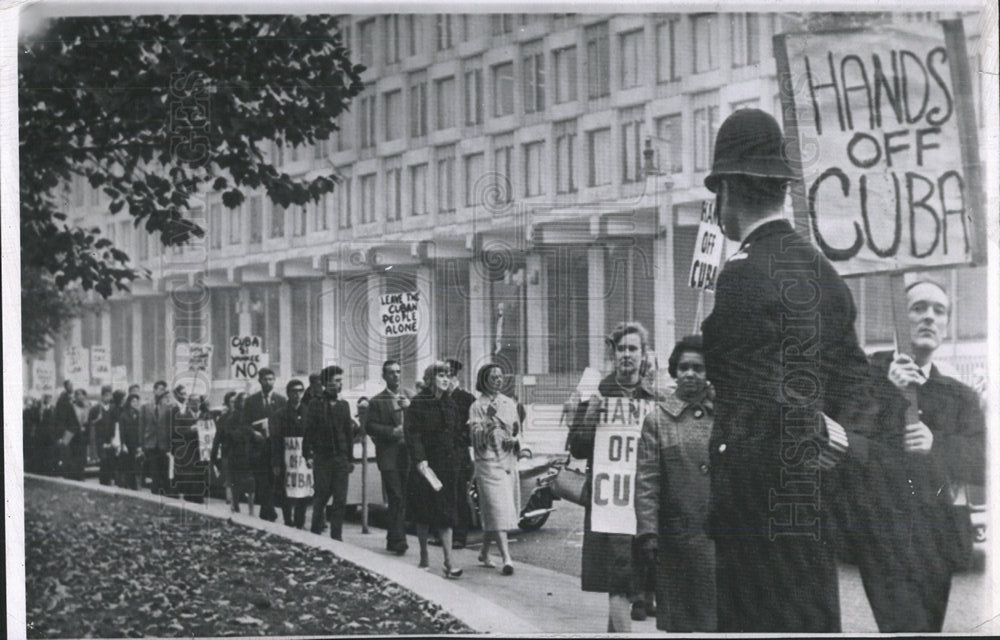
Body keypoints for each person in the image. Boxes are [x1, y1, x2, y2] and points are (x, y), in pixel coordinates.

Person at [700, 108, 881, 632]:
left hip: (755, 519)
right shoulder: (824, 271)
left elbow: (759, 397)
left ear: (727, 189)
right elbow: (857, 386)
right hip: (812, 513)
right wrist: (833, 442)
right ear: (781, 188)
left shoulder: (740, 275)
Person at [841, 279, 986, 632]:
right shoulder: (865, 378)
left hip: (937, 539)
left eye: (939, 311)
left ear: (946, 325)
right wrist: (889, 393)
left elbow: (982, 462)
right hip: (883, 540)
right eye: (918, 308)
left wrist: (937, 444)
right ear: (899, 321)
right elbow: (850, 447)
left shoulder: (959, 395)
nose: (929, 318)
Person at [567, 322, 661, 632]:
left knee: (629, 577)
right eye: (621, 348)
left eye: (633, 348)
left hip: (643, 501)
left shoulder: (653, 398)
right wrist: (590, 410)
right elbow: (578, 448)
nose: (626, 354)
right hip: (609, 502)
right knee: (620, 579)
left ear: (643, 355)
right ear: (613, 354)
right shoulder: (597, 393)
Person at [636, 336, 716, 631]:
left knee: (720, 623)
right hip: (675, 541)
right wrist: (647, 532)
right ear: (674, 371)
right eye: (684, 367)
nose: (691, 374)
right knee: (681, 624)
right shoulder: (658, 421)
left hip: (720, 539)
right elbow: (646, 481)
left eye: (699, 367)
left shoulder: (725, 417)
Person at [405, 361, 466, 578]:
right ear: (431, 379)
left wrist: (459, 459)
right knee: (423, 512)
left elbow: (457, 434)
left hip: (447, 465)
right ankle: (423, 556)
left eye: (448, 375)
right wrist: (420, 459)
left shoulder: (450, 404)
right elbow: (412, 434)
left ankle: (449, 562)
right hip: (426, 466)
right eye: (441, 375)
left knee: (446, 512)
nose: (445, 379)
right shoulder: (418, 404)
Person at [468, 363, 521, 576]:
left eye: (500, 376)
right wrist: (488, 418)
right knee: (497, 507)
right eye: (493, 377)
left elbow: (517, 430)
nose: (498, 380)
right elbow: (476, 438)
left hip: (507, 461)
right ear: (484, 380)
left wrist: (514, 441)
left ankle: (484, 551)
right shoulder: (476, 406)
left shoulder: (509, 403)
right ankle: (507, 558)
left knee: (499, 508)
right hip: (487, 462)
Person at [363, 360, 412, 554]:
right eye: (391, 373)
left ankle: (393, 537)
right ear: (384, 376)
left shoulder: (409, 396)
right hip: (389, 454)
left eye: (398, 372)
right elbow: (370, 426)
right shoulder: (377, 401)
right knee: (395, 495)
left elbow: (421, 421)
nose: (396, 376)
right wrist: (393, 431)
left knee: (402, 498)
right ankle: (399, 540)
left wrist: (409, 408)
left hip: (406, 454)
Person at [303, 365, 354, 540]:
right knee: (321, 497)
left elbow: (348, 434)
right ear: (326, 383)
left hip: (340, 459)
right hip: (322, 458)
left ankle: (336, 538)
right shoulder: (316, 404)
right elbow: (309, 431)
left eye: (341, 381)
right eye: (337, 381)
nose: (340, 384)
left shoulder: (344, 405)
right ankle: (316, 534)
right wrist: (307, 454)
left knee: (340, 500)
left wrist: (350, 459)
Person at [242, 368, 286, 521]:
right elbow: (244, 424)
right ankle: (268, 511)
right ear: (260, 381)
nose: (268, 382)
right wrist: (254, 433)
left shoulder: (281, 400)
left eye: (271, 379)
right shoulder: (251, 401)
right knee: (262, 480)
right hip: (258, 448)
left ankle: (267, 510)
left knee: (274, 481)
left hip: (275, 447)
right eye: (265, 379)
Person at [445, 359, 476, 549]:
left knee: (459, 495)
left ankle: (459, 535)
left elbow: (471, 428)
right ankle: (444, 533)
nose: (444, 379)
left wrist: (459, 441)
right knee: (443, 495)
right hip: (441, 454)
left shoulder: (466, 399)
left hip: (458, 454)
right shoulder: (438, 398)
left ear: (454, 377)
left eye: (447, 375)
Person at [274, 379, 311, 528]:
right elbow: (275, 439)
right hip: (286, 457)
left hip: (303, 457)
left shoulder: (308, 412)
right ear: (288, 393)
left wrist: (311, 456)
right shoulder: (280, 414)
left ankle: (300, 520)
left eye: (300, 391)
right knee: (286, 489)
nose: (297, 395)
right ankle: (288, 519)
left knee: (303, 488)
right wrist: (276, 462)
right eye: (294, 391)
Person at [140, 380, 175, 496]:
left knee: (164, 468)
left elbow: (169, 427)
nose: (162, 392)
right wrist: (142, 444)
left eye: (164, 390)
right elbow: (141, 426)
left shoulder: (167, 407)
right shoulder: (145, 407)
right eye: (160, 389)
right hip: (150, 442)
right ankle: (155, 491)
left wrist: (170, 444)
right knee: (154, 468)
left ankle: (165, 490)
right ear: (154, 390)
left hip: (163, 443)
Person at [211, 391, 239, 505]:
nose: (234, 404)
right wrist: (214, 453)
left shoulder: (242, 416)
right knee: (228, 477)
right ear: (228, 403)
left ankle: (236, 501)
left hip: (239, 452)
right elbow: (217, 437)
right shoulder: (223, 418)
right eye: (232, 401)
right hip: (227, 451)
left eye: (235, 401)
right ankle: (230, 501)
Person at [88, 385, 117, 485]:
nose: (108, 398)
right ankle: (103, 481)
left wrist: (113, 437)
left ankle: (108, 480)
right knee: (103, 460)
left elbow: (115, 422)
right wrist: (97, 420)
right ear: (102, 396)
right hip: (99, 438)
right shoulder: (95, 409)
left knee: (110, 459)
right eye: (106, 395)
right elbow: (90, 423)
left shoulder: (113, 408)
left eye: (109, 396)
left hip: (110, 438)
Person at [117, 393, 143, 489]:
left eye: (137, 401)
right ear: (129, 402)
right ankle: (127, 483)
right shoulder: (124, 415)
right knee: (128, 463)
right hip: (127, 443)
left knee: (136, 464)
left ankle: (134, 484)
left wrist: (140, 444)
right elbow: (122, 430)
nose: (135, 403)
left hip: (136, 442)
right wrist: (123, 444)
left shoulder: (138, 413)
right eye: (133, 401)